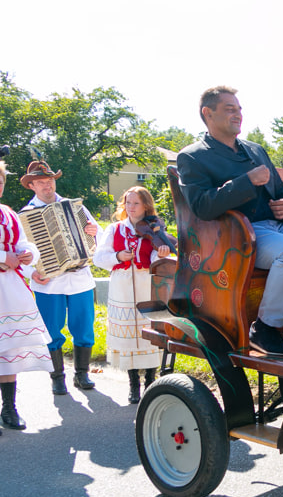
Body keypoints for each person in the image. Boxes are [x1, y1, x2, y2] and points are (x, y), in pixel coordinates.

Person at [177, 86, 283, 356]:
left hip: (277, 228)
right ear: (208, 113)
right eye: (230, 109)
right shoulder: (193, 157)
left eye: (239, 109)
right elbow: (202, 207)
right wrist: (246, 181)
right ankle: (264, 329)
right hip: (237, 237)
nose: (238, 114)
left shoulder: (255, 150)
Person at [20, 159, 101, 394]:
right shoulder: (24, 215)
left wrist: (94, 232)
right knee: (51, 330)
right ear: (32, 185)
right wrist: (31, 273)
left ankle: (82, 374)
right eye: (42, 182)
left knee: (84, 327)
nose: (48, 186)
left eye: (50, 181)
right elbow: (19, 251)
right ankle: (57, 377)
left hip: (80, 278)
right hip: (48, 283)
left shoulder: (75, 206)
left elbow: (99, 234)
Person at [93, 186, 172, 404]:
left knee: (149, 334)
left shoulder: (155, 228)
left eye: (136, 203)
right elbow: (99, 258)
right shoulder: (115, 229)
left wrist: (162, 252)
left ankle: (150, 381)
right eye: (128, 203)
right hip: (123, 286)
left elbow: (158, 256)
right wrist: (118, 256)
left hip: (147, 283)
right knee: (129, 337)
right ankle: (133, 384)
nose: (131, 207)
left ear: (146, 205)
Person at [0, 160, 53, 432]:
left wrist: (29, 253)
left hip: (9, 287)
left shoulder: (7, 213)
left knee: (9, 350)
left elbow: (23, 242)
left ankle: (9, 408)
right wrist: (2, 256)